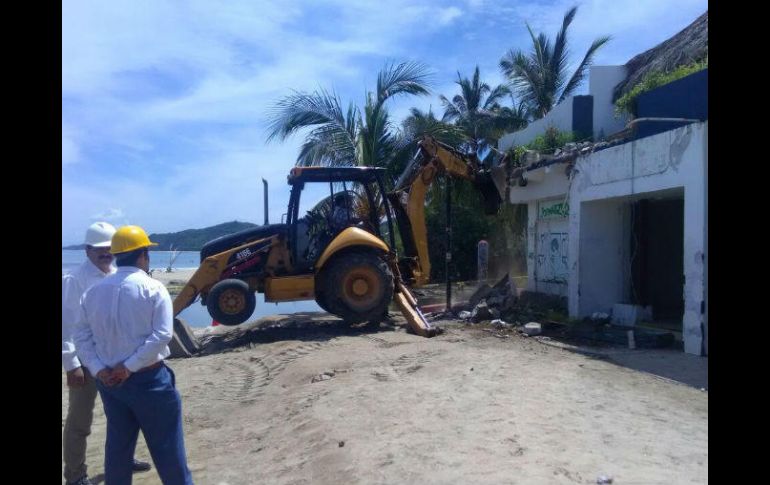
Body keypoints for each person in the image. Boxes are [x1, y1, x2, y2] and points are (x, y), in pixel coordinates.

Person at [73, 225, 193, 485]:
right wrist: (129, 366)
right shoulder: (153, 288)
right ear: (143, 255)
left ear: (116, 255)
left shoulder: (92, 292)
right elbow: (162, 335)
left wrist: (98, 369)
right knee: (168, 450)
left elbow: (80, 336)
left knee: (118, 450)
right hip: (149, 380)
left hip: (110, 384)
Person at [62, 222, 152, 485]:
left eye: (109, 248)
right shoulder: (74, 280)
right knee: (80, 420)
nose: (105, 253)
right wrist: (71, 364)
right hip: (85, 360)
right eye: (99, 249)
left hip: (115, 357)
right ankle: (75, 475)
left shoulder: (117, 273)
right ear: (87, 250)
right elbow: (66, 324)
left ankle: (124, 458)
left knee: (123, 414)